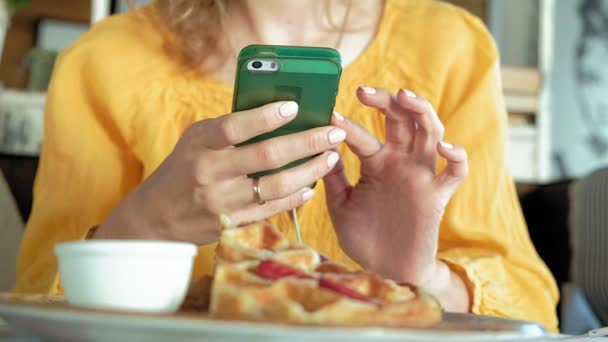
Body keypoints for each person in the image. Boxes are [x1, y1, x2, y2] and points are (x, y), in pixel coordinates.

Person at [14, 0, 559, 331]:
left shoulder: (451, 47)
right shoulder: (101, 61)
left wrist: (416, 278)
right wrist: (142, 228)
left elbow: (531, 305)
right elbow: (30, 301)